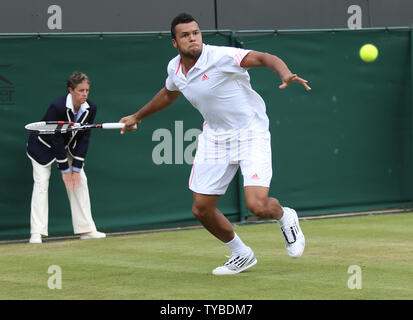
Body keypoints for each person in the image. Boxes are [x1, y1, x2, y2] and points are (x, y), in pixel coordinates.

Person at [119, 13, 311, 275]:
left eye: (196, 33)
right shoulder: (174, 69)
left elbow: (265, 58)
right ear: (175, 42)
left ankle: (284, 216)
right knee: (201, 209)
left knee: (257, 206)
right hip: (215, 138)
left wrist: (285, 73)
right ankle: (242, 254)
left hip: (251, 133)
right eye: (185, 35)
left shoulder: (222, 56)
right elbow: (168, 93)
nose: (192, 38)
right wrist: (137, 117)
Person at [26, 71, 106, 244]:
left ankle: (86, 229)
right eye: (80, 90)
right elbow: (54, 138)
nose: (84, 94)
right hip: (42, 146)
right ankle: (36, 233)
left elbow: (85, 137)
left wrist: (75, 169)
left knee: (80, 181)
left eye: (87, 90)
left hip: (67, 145)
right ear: (71, 90)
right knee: (41, 184)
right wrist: (64, 170)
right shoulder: (57, 107)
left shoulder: (91, 107)